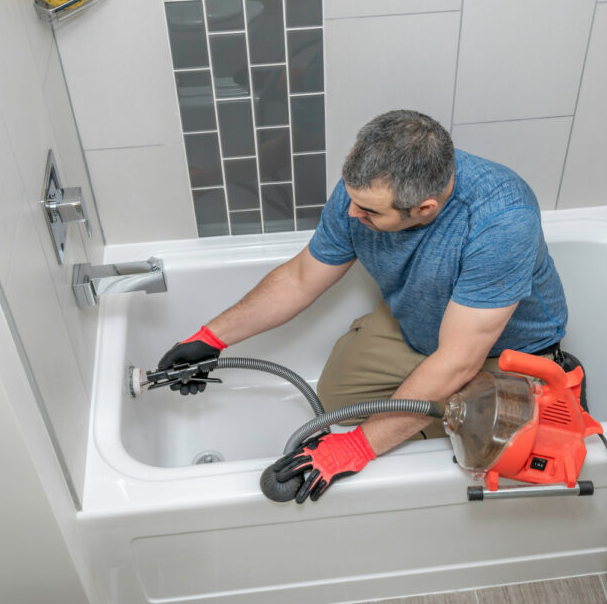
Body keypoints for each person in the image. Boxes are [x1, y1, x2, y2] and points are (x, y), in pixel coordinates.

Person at [158, 110, 569, 503]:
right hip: (417, 324)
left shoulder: (501, 222)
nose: (351, 214)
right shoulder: (366, 187)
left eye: (369, 212)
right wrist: (210, 338)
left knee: (481, 444)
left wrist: (357, 447)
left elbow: (459, 360)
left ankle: (541, 395)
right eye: (352, 200)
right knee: (335, 401)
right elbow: (301, 278)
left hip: (500, 353)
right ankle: (422, 403)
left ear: (424, 209)